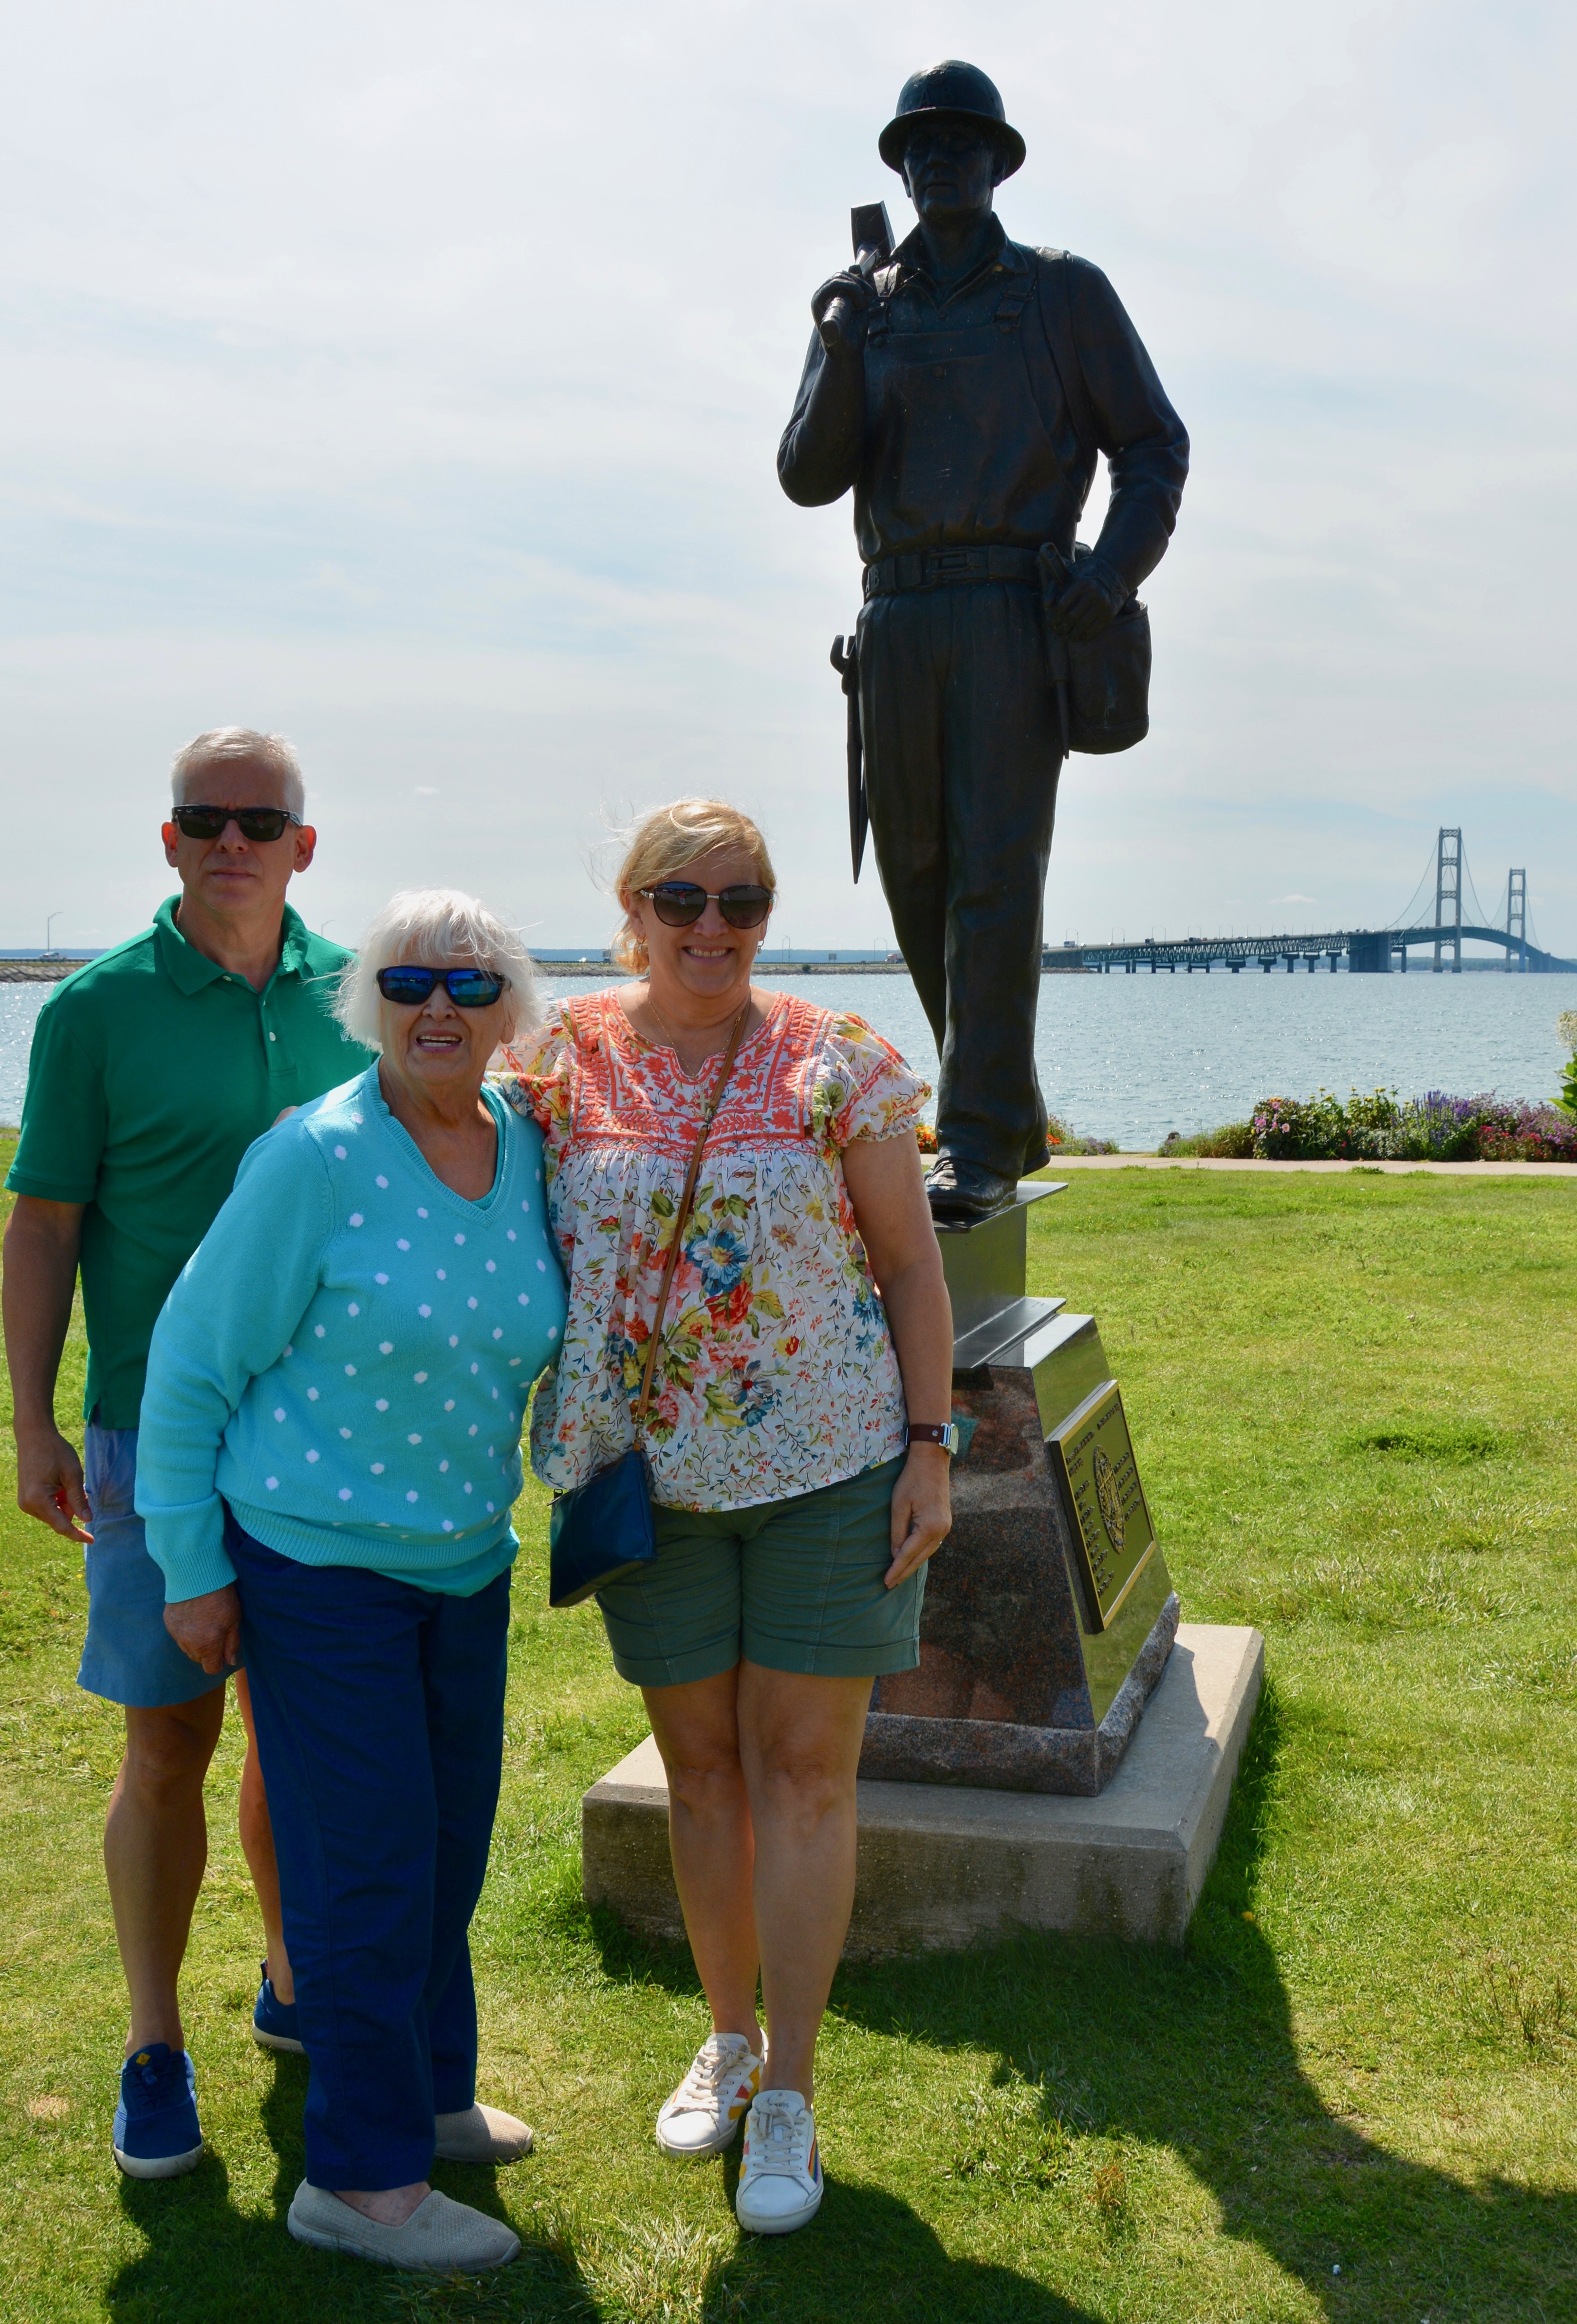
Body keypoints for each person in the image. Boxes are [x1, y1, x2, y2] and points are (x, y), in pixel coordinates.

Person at [499, 799, 955, 2237]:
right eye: (682, 900)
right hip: (646, 1486)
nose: (712, 927)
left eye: (741, 901)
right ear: (632, 910)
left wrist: (931, 1447)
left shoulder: (839, 1059)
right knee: (699, 1774)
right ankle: (728, 2034)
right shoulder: (554, 1060)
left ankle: (791, 2093)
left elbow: (910, 1266)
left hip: (831, 1470)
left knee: (805, 1775)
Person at [136, 889, 566, 2276]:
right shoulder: (314, 1156)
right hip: (317, 1569)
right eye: (408, 981)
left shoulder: (525, 1143)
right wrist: (190, 1565)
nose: (439, 1005)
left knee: (445, 1846)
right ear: (369, 1001)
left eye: (470, 981)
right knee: (365, 1864)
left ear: (510, 1008)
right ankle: (362, 2181)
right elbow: (190, 1364)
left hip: (465, 1562)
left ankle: (428, 2098)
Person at [1, 727, 363, 2179]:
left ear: (302, 846)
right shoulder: (95, 1010)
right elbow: (44, 1224)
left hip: (328, 1441)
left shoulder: (364, 992)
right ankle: (155, 2047)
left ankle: (293, 1980)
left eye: (259, 822)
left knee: (300, 1735)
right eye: (204, 818)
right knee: (168, 1742)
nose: (232, 841)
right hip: (157, 1436)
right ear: (169, 839)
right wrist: (32, 1417)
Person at [779, 59, 1189, 1222]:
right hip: (894, 616)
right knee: (913, 874)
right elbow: (806, 475)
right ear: (900, 166)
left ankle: (970, 1138)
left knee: (993, 878)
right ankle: (1002, 1108)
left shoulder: (1061, 292)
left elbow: (1152, 446)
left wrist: (1108, 575)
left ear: (997, 163)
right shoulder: (861, 304)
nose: (940, 160)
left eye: (962, 142)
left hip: (1014, 613)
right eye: (920, 144)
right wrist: (841, 345)